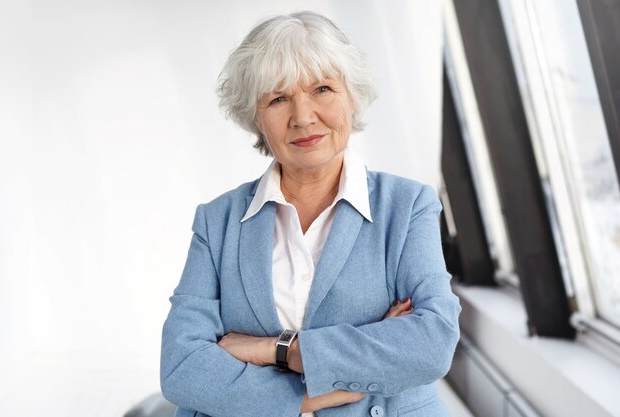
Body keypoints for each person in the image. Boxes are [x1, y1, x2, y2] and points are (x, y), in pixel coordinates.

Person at [160, 11, 461, 417]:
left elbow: (432, 344)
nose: (302, 117)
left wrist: (275, 350)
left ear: (351, 97)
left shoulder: (407, 207)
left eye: (322, 88)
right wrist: (312, 395)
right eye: (278, 98)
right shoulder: (217, 222)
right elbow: (181, 367)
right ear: (256, 117)